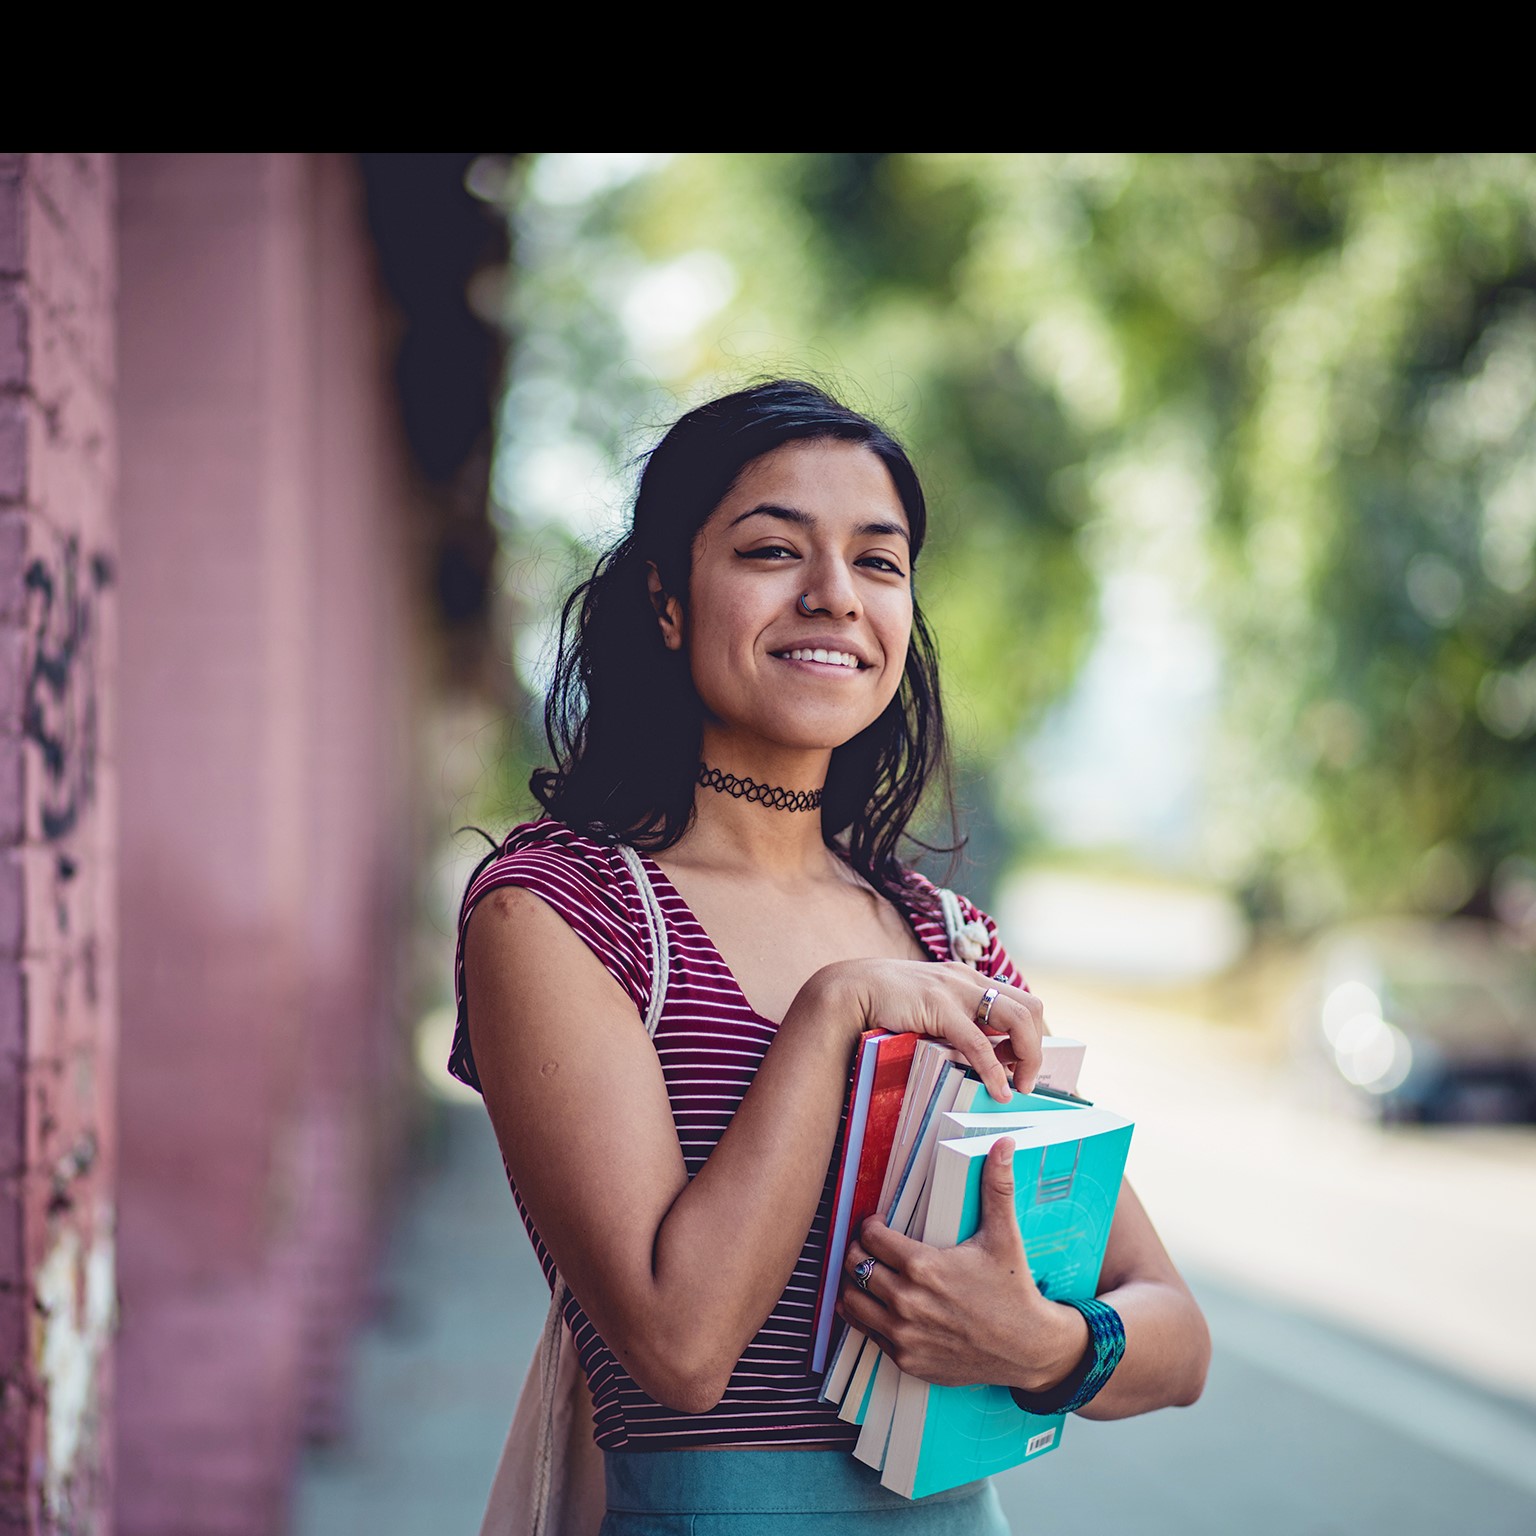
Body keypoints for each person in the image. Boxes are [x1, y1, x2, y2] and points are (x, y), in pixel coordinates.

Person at [450, 380, 1211, 1534]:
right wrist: (832, 1014)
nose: (833, 597)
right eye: (771, 551)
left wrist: (1048, 1346)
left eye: (880, 561)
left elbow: (1176, 1334)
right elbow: (680, 1346)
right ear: (665, 600)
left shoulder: (950, 942)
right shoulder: (563, 911)